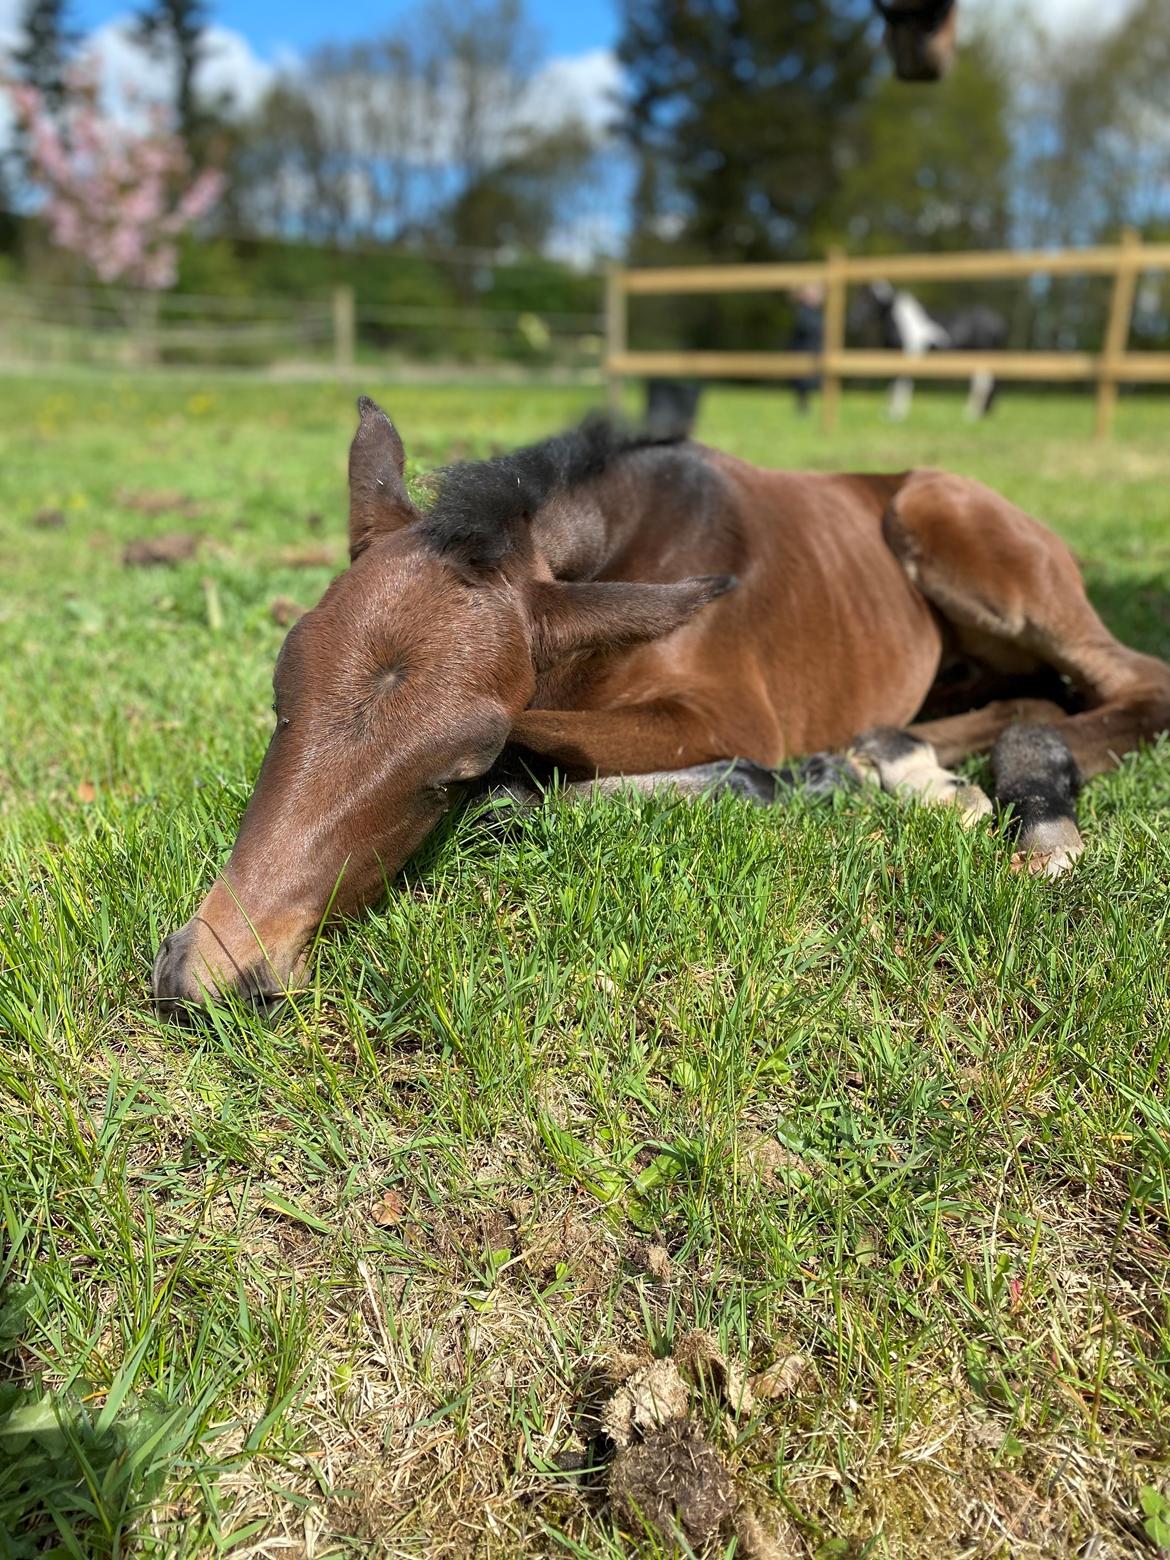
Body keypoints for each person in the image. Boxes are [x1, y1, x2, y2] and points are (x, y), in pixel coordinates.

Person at [790, 283, 824, 414]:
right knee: (804, 384)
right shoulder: (802, 312)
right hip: (804, 352)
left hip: (814, 353)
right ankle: (803, 409)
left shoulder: (815, 312)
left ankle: (806, 409)